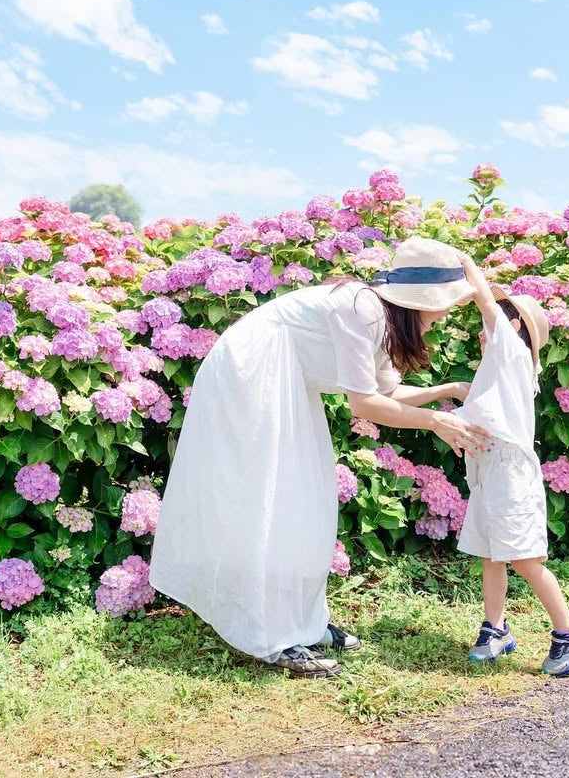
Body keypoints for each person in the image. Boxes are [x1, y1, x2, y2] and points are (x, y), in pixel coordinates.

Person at [149, 238, 493, 677]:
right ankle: (271, 636)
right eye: (443, 305)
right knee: (269, 498)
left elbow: (386, 393)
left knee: (304, 499)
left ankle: (299, 622)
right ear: (417, 301)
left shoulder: (383, 321)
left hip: (285, 382)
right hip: (251, 373)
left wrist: (446, 393)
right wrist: (436, 422)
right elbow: (364, 406)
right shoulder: (362, 308)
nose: (445, 314)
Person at [452, 251, 569, 677]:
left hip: (511, 475)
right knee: (491, 555)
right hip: (489, 472)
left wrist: (463, 261)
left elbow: (484, 300)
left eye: (495, 319)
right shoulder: (498, 369)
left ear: (514, 327)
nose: (484, 327)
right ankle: (495, 628)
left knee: (524, 558)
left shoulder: (512, 354)